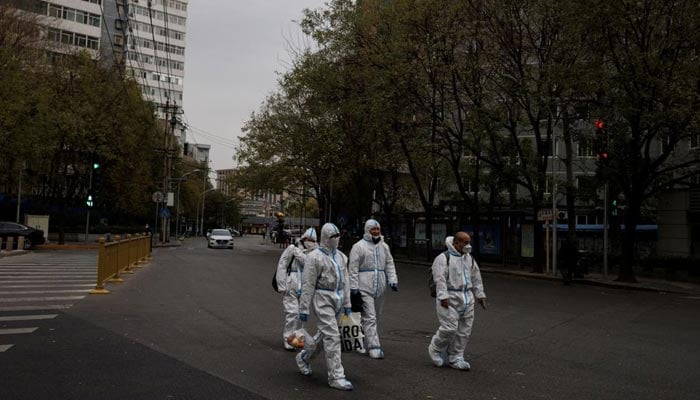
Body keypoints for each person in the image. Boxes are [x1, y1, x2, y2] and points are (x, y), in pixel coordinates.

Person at [296, 223, 354, 391]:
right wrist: (304, 308)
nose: (336, 240)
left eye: (338, 236)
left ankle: (304, 357)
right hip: (323, 299)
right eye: (333, 237)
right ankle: (336, 376)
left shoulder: (341, 257)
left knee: (324, 336)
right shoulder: (314, 257)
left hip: (338, 298)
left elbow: (346, 281)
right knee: (333, 337)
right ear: (325, 238)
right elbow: (308, 284)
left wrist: (347, 303)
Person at [428, 231, 486, 371]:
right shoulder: (443, 258)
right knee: (450, 328)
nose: (468, 245)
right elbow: (439, 278)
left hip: (467, 298)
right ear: (456, 242)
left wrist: (480, 295)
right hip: (450, 297)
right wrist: (443, 296)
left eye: (469, 242)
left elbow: (476, 277)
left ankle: (456, 357)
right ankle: (435, 348)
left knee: (464, 331)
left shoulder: (469, 259)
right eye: (465, 242)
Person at [348, 219, 398, 359]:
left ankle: (362, 340)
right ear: (367, 230)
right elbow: (353, 269)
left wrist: (392, 279)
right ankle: (373, 346)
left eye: (378, 229)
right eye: (373, 229)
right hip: (364, 286)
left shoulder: (384, 247)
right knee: (370, 317)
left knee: (374, 315)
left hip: (380, 287)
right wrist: (354, 287)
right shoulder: (358, 247)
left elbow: (389, 263)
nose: (376, 232)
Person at [277, 227, 318, 350]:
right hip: (292, 284)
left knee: (302, 315)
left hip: (306, 286)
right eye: (308, 239)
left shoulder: (316, 253)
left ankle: (298, 339)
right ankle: (288, 339)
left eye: (313, 240)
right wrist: (281, 284)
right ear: (303, 238)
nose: (310, 241)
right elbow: (282, 264)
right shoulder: (292, 249)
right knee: (292, 313)